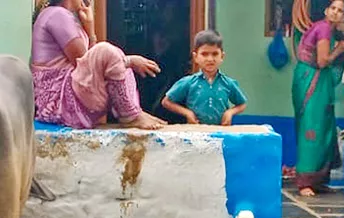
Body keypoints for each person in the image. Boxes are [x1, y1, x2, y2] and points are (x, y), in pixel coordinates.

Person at [31, 0, 166, 130]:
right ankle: (130, 116)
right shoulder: (57, 15)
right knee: (107, 52)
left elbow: (90, 64)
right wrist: (129, 60)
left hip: (70, 96)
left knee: (117, 60)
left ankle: (134, 112)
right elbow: (83, 61)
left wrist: (89, 28)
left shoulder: (63, 16)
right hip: (60, 102)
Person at [292, 0, 344, 197]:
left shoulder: (324, 28)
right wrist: (340, 49)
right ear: (326, 10)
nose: (335, 13)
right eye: (333, 8)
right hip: (312, 79)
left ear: (343, 16)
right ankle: (305, 182)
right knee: (313, 129)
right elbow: (323, 60)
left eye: (340, 11)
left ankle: (318, 181)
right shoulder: (324, 29)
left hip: (309, 78)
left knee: (323, 125)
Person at [162, 30, 247, 126]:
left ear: (222, 56)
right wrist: (188, 113)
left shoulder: (228, 83)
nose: (210, 59)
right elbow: (166, 102)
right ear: (195, 57)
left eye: (215, 54)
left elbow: (242, 104)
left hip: (220, 132)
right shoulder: (188, 82)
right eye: (204, 54)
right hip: (196, 133)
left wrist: (230, 113)